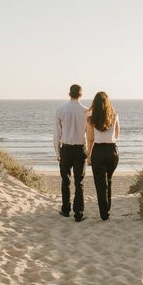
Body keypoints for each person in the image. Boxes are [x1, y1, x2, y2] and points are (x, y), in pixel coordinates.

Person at [53, 84, 89, 222]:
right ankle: (78, 214)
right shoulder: (86, 111)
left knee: (65, 181)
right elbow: (89, 134)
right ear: (81, 94)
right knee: (79, 182)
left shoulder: (60, 110)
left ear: (69, 94)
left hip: (66, 149)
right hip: (80, 150)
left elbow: (57, 134)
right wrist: (88, 151)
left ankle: (65, 210)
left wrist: (57, 152)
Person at [86, 91, 120, 221]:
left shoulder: (91, 119)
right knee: (108, 181)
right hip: (112, 151)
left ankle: (104, 214)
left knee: (100, 184)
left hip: (98, 151)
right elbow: (117, 135)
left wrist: (89, 155)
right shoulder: (115, 116)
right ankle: (107, 210)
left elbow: (90, 139)